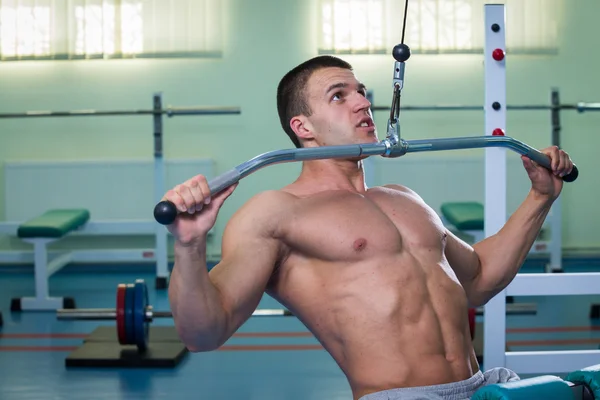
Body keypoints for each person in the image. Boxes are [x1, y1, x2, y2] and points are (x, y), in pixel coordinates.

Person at [162, 55, 574, 400]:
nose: (362, 102)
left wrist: (541, 197)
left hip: (481, 386)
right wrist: (190, 247)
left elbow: (480, 278)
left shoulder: (403, 198)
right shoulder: (275, 212)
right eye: (339, 96)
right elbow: (204, 333)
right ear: (302, 127)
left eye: (360, 91)